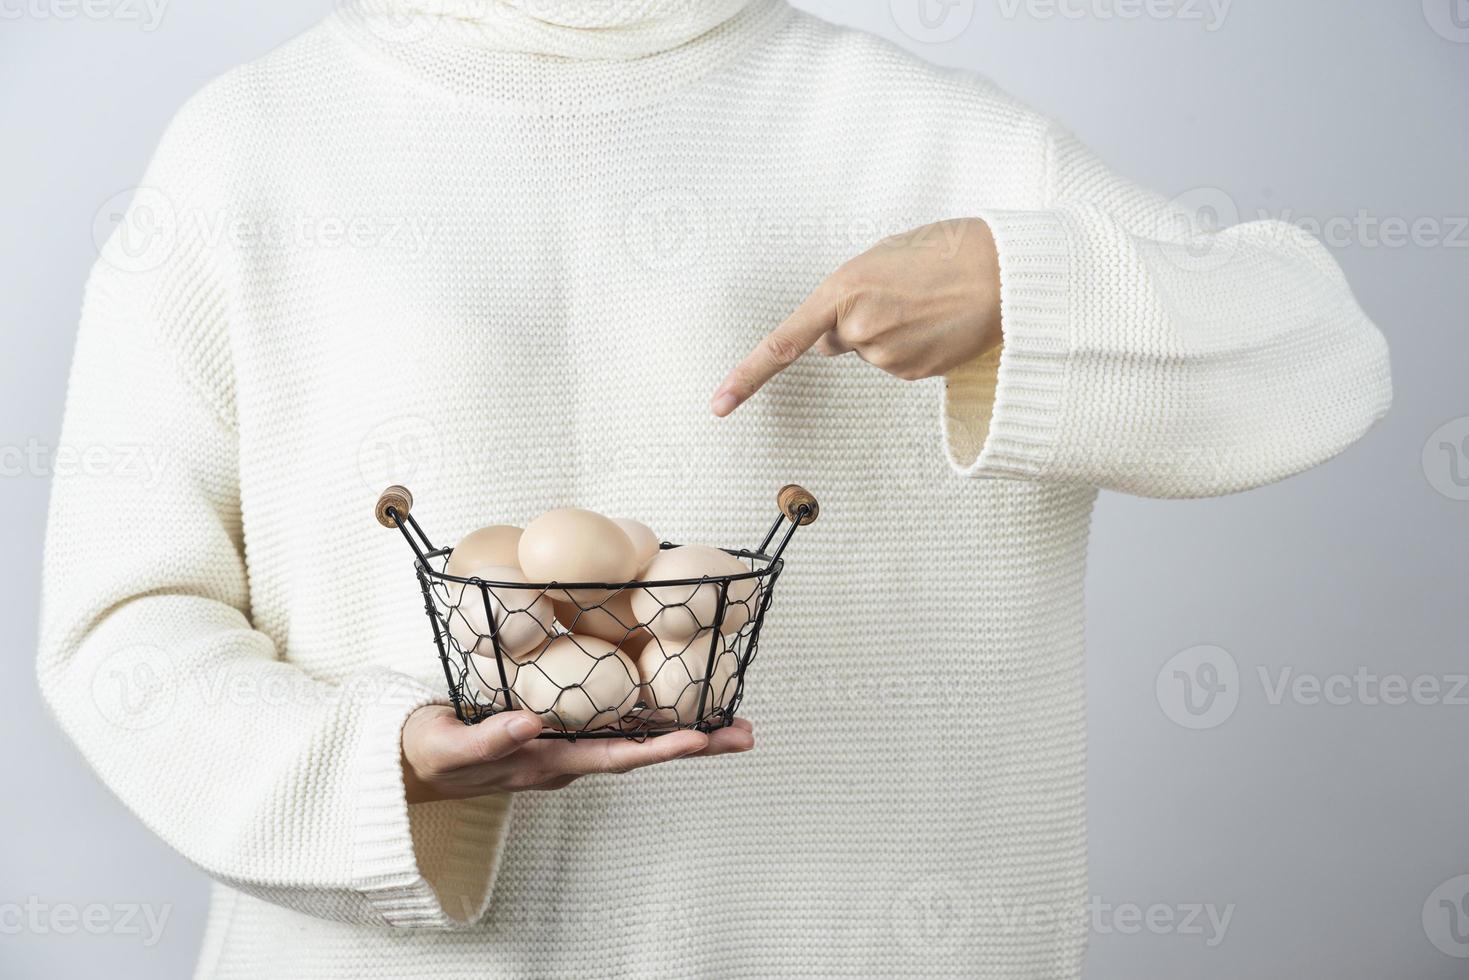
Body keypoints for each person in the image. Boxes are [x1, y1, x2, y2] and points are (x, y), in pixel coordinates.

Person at [39, 1, 1391, 977]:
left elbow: (1319, 355)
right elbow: (125, 631)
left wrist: (1013, 284)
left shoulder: (927, 135)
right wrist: (382, 763)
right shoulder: (253, 149)